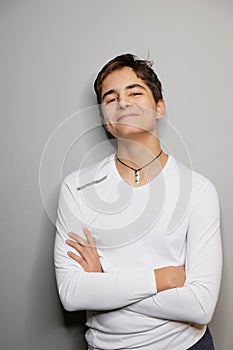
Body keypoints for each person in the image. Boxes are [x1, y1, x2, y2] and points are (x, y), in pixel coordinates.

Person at [54, 53, 222, 350]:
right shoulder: (76, 188)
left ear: (159, 107)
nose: (123, 102)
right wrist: (161, 278)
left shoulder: (198, 190)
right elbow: (72, 294)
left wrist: (104, 282)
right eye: (111, 98)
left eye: (135, 92)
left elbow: (200, 305)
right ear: (105, 120)